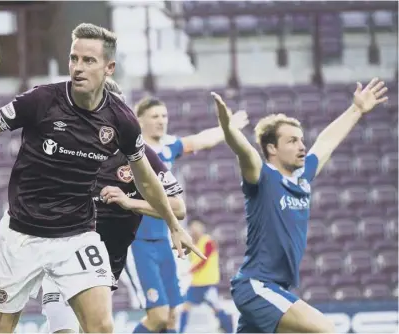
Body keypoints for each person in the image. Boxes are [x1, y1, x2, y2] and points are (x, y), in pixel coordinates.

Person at [0, 23, 203, 334]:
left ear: (108, 68)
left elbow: (146, 179)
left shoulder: (122, 122)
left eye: (89, 60)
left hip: (76, 235)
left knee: (102, 327)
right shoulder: (42, 100)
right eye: (74, 58)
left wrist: (174, 224)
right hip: (23, 234)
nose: (78, 67)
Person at [212, 77, 388, 333]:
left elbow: (326, 142)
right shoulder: (263, 177)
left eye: (301, 139)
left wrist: (356, 109)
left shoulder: (303, 177)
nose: (302, 146)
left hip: (274, 287)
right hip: (257, 285)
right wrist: (229, 130)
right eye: (292, 141)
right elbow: (245, 152)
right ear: (272, 148)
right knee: (327, 330)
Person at [39, 78, 187, 334]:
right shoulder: (65, 148)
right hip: (64, 255)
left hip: (106, 263)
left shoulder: (138, 155)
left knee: (108, 327)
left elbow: (178, 207)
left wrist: (130, 202)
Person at [128, 97, 249, 333]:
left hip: (164, 239)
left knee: (174, 315)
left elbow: (202, 140)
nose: (161, 121)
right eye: (155, 116)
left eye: (164, 116)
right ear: (139, 120)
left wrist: (227, 127)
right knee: (158, 317)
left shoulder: (169, 147)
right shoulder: (130, 150)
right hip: (136, 242)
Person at [179, 219, 233, 333]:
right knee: (186, 308)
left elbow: (203, 260)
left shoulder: (208, 242)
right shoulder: (192, 243)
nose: (195, 229)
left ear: (202, 227)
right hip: (197, 283)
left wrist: (189, 270)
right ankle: (180, 331)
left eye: (197, 226)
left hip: (208, 283)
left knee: (216, 308)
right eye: (192, 227)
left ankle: (229, 329)